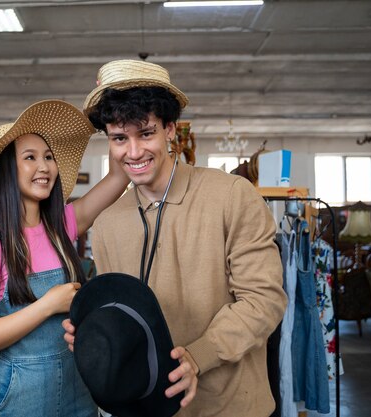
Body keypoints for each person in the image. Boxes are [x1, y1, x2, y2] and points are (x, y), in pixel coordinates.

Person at [63, 59, 287, 417]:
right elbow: (119, 307)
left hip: (229, 406)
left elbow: (265, 300)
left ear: (170, 129)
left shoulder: (232, 195)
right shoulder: (106, 224)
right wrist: (92, 332)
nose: (133, 153)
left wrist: (199, 356)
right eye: (120, 138)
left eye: (146, 133)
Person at [0, 99, 129, 417]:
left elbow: (117, 179)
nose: (44, 167)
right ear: (7, 170)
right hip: (21, 390)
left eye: (48, 157)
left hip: (78, 383)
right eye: (30, 158)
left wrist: (114, 119)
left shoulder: (61, 224)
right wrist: (48, 304)